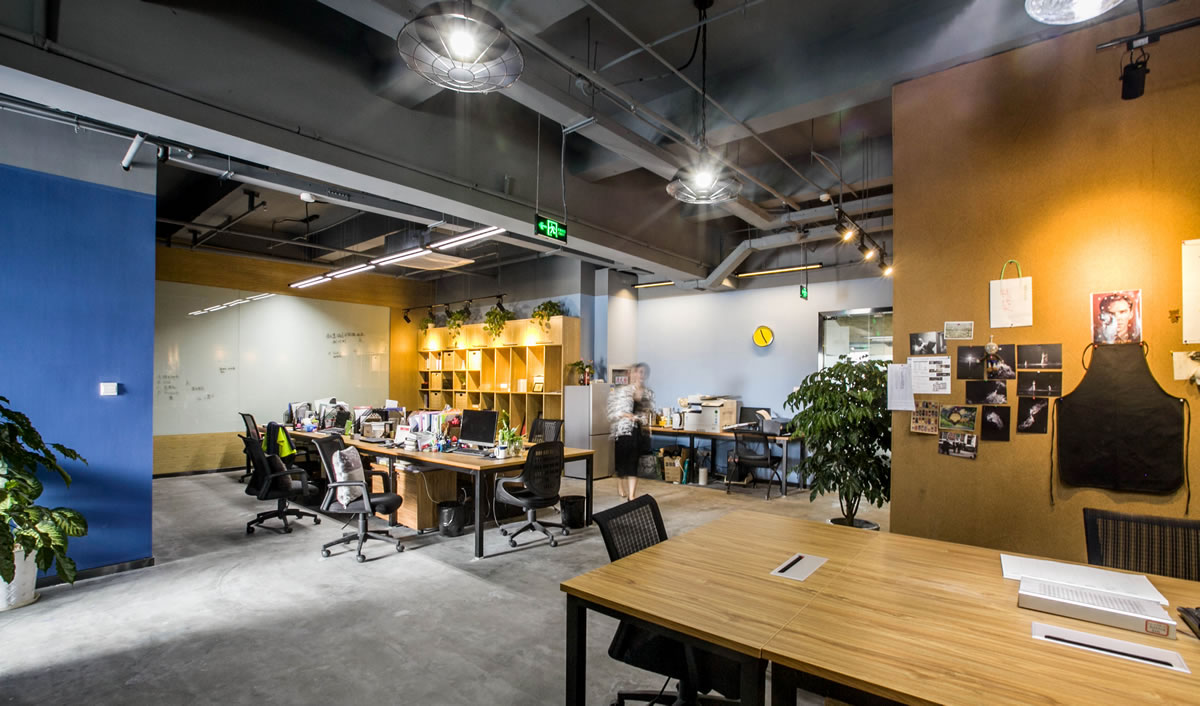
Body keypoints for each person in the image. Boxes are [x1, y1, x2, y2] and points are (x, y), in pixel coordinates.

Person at [607, 362, 655, 501]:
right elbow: (613, 412)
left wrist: (644, 420)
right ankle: (620, 485)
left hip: (639, 432)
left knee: (633, 463)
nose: (641, 375)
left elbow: (649, 412)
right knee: (622, 463)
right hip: (623, 432)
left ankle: (632, 496)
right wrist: (628, 416)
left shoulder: (648, 393)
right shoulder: (623, 391)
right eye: (639, 372)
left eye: (644, 372)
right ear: (634, 374)